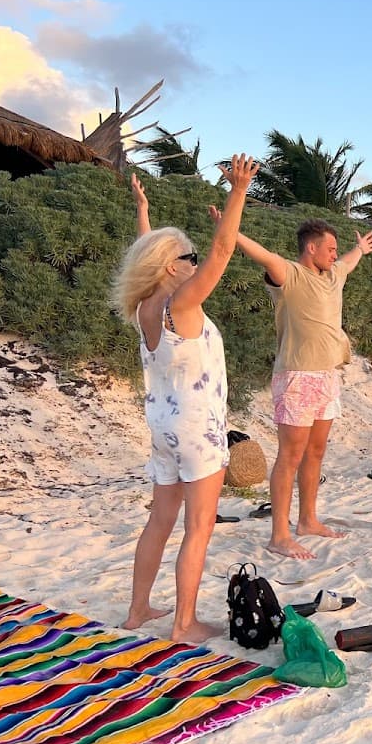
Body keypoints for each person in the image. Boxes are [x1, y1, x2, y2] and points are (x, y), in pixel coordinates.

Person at [113, 154, 260, 643]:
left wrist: (143, 212)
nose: (195, 262)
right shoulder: (181, 304)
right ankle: (183, 622)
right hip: (198, 428)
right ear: (169, 267)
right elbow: (221, 253)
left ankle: (138, 611)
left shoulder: (144, 306)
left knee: (159, 521)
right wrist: (238, 190)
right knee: (198, 527)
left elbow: (145, 251)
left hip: (163, 427)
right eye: (187, 256)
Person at [224, 217, 372, 559]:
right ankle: (279, 534)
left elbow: (348, 263)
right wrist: (231, 230)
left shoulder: (334, 274)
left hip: (327, 375)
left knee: (316, 452)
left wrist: (359, 250)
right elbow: (263, 256)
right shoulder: (290, 274)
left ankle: (307, 520)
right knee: (290, 455)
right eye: (330, 248)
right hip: (296, 376)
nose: (335, 254)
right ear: (312, 248)